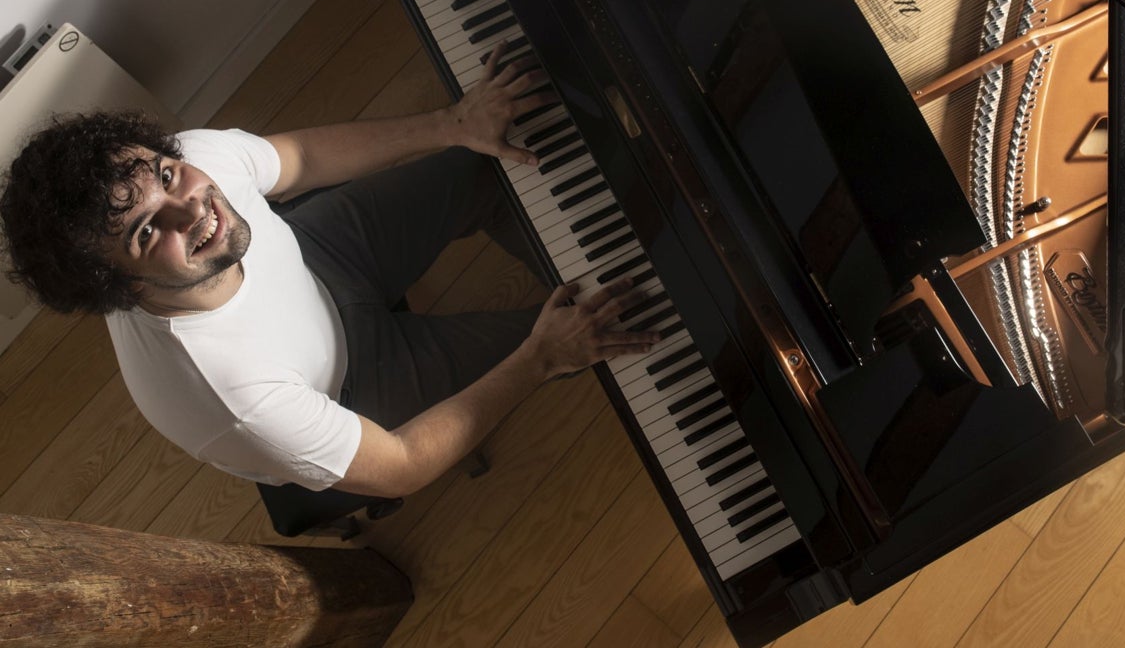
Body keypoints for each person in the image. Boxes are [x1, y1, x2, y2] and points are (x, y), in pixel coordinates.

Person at [0, 44, 659, 498]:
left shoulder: (189, 168)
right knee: (607, 323)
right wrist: (541, 358)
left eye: (169, 177)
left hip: (318, 258)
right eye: (147, 232)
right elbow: (399, 466)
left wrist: (452, 122)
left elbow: (298, 159)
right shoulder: (235, 399)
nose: (192, 209)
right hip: (350, 388)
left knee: (482, 159)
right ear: (116, 287)